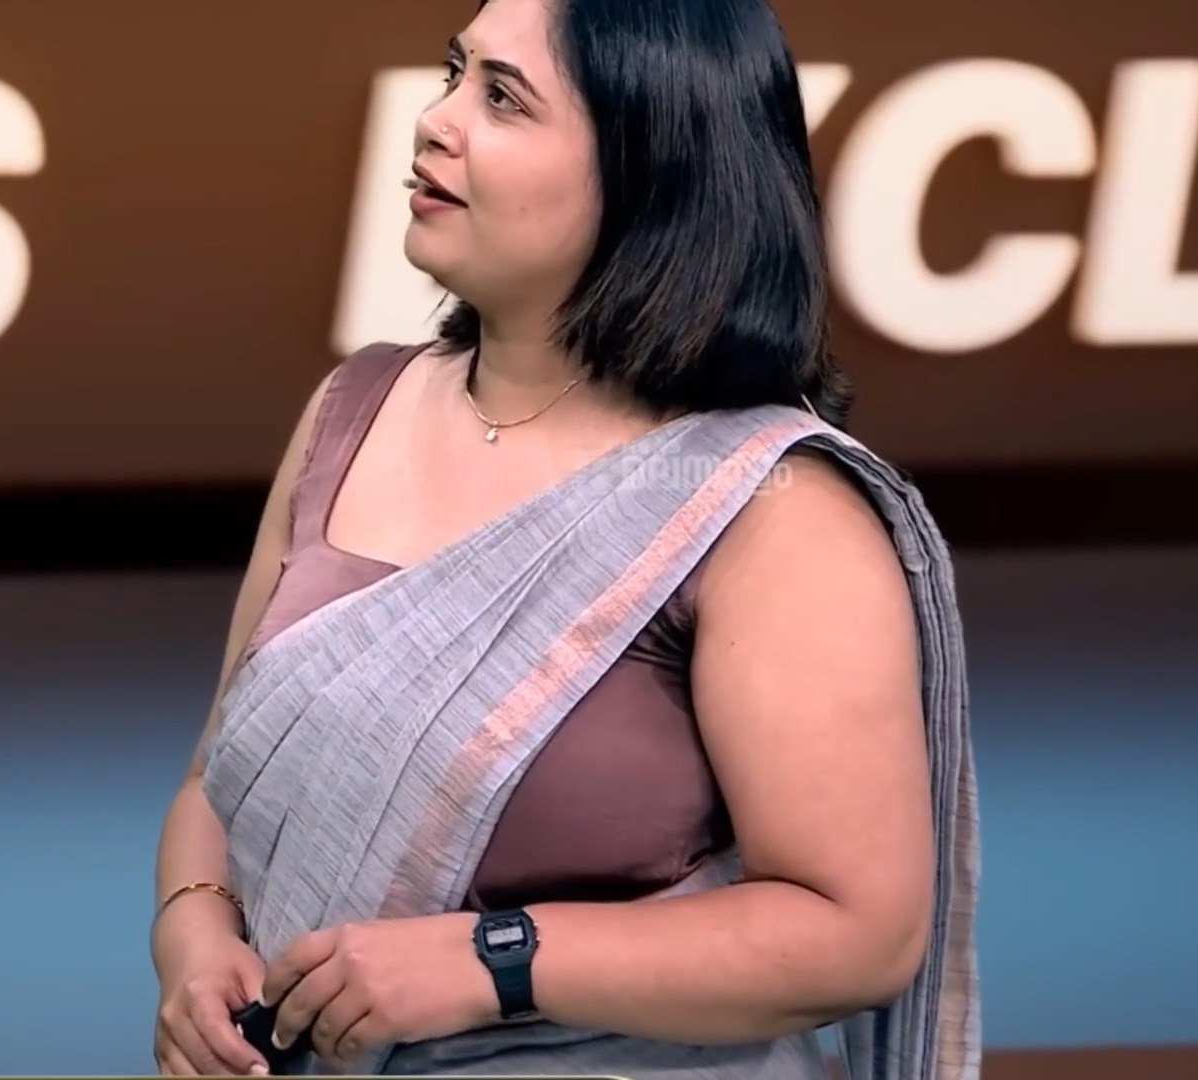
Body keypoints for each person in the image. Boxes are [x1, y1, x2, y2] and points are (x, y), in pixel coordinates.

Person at [150, 0, 979, 1076]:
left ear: (651, 168)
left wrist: (494, 961)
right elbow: (219, 779)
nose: (436, 120)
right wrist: (194, 933)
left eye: (503, 98)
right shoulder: (354, 410)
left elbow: (856, 932)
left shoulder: (771, 509)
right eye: (455, 73)